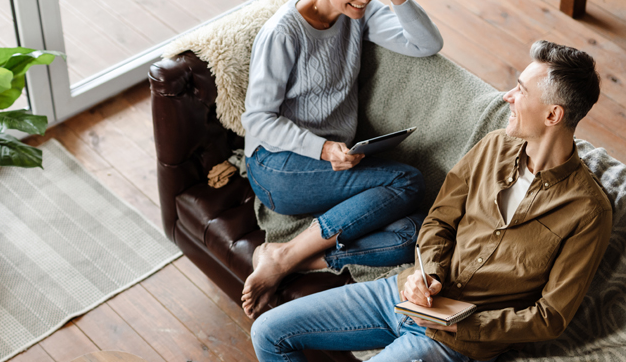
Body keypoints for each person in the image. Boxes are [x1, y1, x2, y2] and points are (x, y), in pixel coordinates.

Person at [249, 40, 613, 362]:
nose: (508, 97)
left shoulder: (588, 211)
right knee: (267, 332)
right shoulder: (493, 146)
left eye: (520, 91)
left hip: (457, 342)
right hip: (404, 294)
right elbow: (439, 221)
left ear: (553, 115)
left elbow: (550, 316)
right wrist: (427, 276)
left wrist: (464, 326)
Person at [240, 0, 444, 319]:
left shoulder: (359, 16)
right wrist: (322, 148)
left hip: (334, 163)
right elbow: (258, 120)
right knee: (407, 181)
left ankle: (295, 260)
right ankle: (283, 255)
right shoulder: (283, 33)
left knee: (412, 233)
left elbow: (426, 43)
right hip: (276, 165)